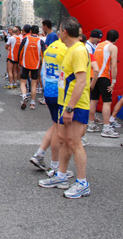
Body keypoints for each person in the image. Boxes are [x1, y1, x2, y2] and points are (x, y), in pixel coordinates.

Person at [39, 17, 91, 199]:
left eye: (60, 30)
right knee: (62, 139)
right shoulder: (70, 49)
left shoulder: (78, 51)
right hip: (64, 103)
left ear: (64, 32)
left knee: (74, 142)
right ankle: (61, 176)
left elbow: (82, 82)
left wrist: (70, 108)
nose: (58, 33)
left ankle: (82, 183)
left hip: (75, 105)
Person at [30, 37, 75, 180]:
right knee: (59, 130)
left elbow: (43, 71)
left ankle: (40, 154)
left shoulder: (50, 48)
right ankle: (55, 166)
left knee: (55, 125)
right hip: (60, 92)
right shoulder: (67, 49)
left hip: (49, 89)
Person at [89, 30, 119, 138]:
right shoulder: (113, 47)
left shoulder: (98, 45)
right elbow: (114, 65)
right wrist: (114, 81)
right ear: (116, 39)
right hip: (104, 76)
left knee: (93, 100)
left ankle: (91, 124)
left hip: (94, 75)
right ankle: (106, 128)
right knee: (107, 102)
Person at [18, 25, 45, 110]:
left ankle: (24, 97)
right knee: (34, 84)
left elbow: (20, 51)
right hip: (35, 65)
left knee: (23, 82)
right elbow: (44, 54)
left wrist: (19, 62)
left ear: (30, 32)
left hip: (25, 64)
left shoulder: (25, 39)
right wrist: (43, 65)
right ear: (38, 32)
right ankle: (32, 103)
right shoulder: (40, 41)